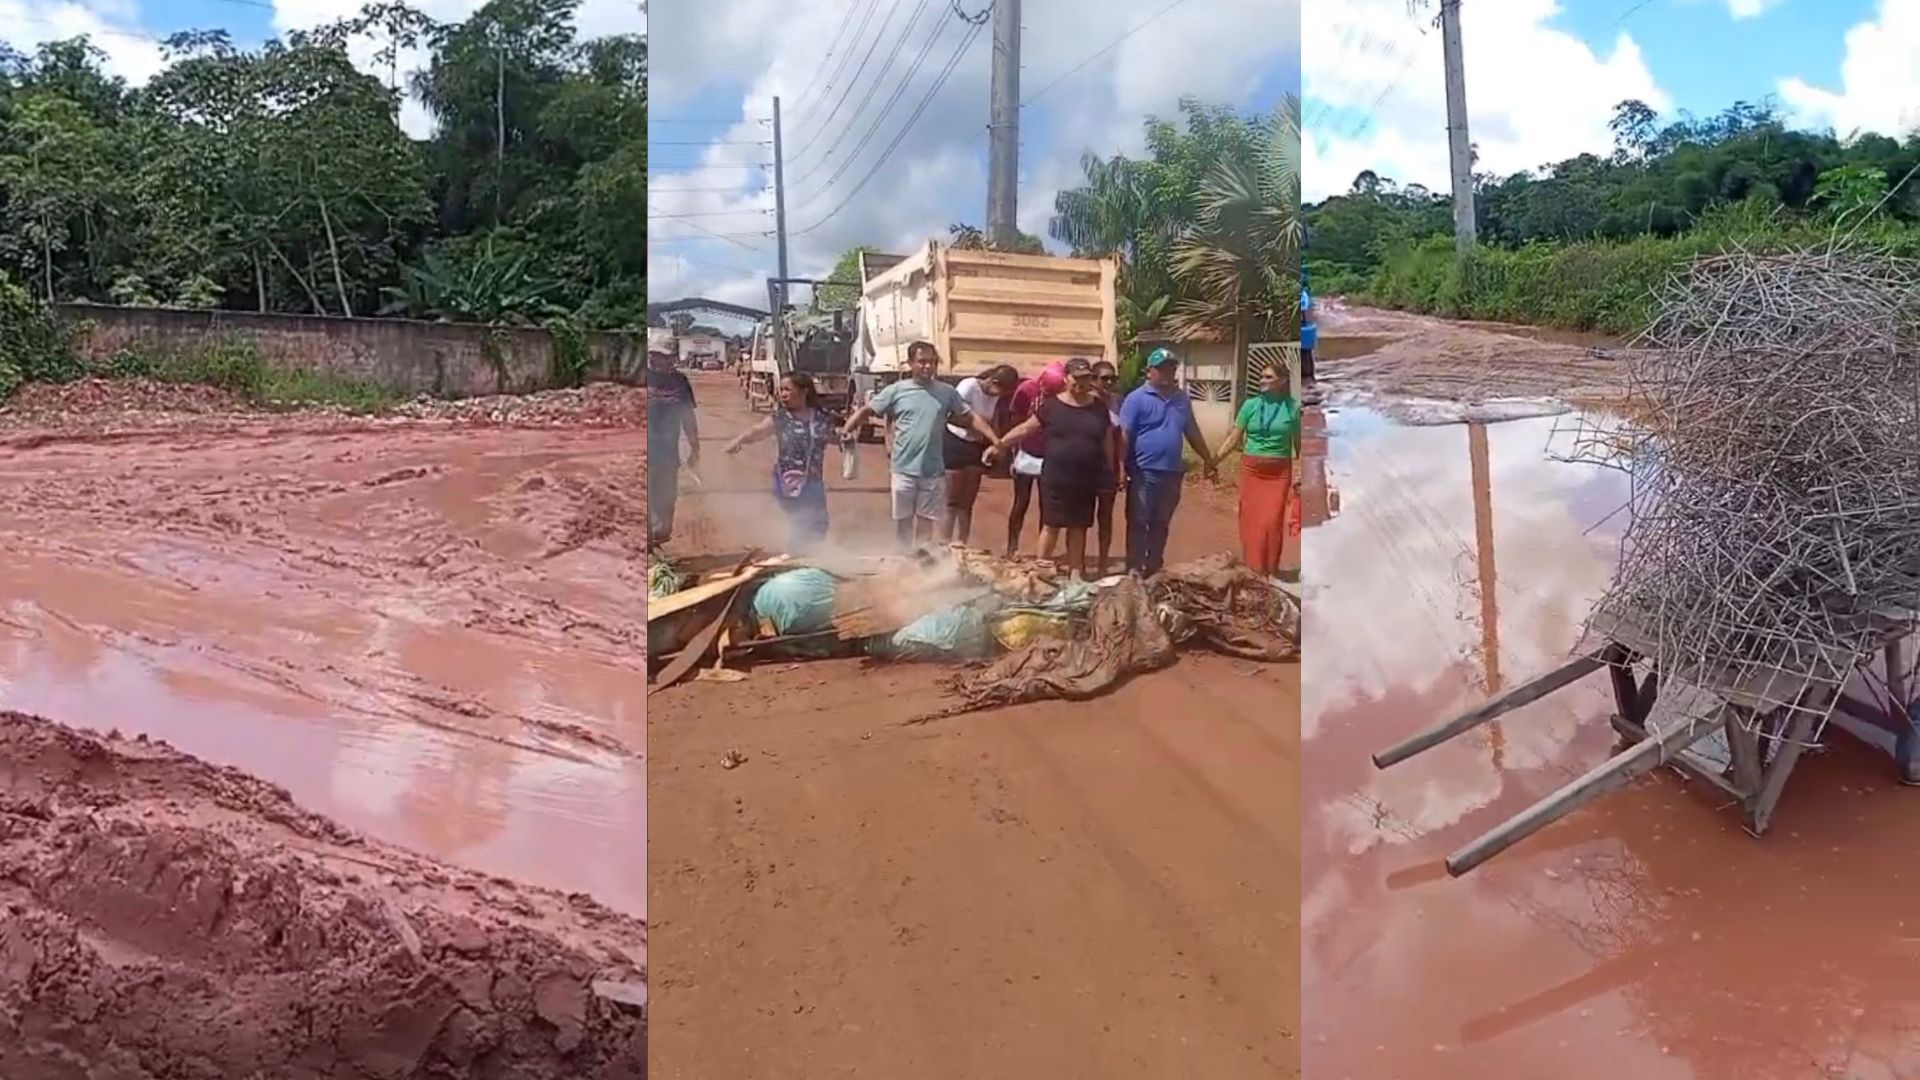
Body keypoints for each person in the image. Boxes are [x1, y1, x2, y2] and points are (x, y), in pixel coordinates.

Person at [839, 341, 1002, 548]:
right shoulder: (896, 391)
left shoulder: (947, 392)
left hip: (933, 471)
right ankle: (904, 558)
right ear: (910, 363)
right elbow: (867, 411)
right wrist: (847, 429)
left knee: (926, 521)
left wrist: (996, 440)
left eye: (932, 362)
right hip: (903, 469)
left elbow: (971, 418)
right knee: (903, 521)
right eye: (922, 362)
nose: (927, 367)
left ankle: (920, 563)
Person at [987, 358, 1119, 579]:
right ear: (1066, 379)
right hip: (1057, 477)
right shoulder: (1052, 407)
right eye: (1077, 378)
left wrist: (1111, 469)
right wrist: (999, 445)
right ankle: (1041, 571)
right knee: (1052, 525)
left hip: (1087, 478)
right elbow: (1025, 429)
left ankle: (1076, 573)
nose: (1082, 383)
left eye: (1086, 378)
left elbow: (1107, 440)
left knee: (1079, 526)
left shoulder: (1098, 408)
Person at [1118, 347, 1219, 576]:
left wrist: (1208, 460)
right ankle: (1134, 566)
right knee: (1138, 520)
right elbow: (1124, 435)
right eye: (1161, 369)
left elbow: (1191, 431)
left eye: (1171, 369)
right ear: (1149, 372)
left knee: (1161, 522)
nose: (1166, 373)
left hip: (1172, 472)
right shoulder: (1136, 399)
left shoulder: (1181, 399)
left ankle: (1154, 565)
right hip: (1144, 471)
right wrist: (1120, 466)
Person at [723, 372, 837, 552]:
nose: (782, 394)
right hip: (787, 481)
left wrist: (845, 441)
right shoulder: (781, 418)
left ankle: (810, 555)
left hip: (813, 480)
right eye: (781, 390)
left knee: (819, 522)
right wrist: (738, 441)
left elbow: (832, 437)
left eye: (787, 390)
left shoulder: (822, 417)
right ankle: (798, 556)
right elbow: (758, 431)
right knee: (801, 519)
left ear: (804, 391)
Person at [1218, 361, 1302, 578]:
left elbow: (1300, 444)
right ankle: (1253, 569)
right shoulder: (1250, 405)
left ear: (1283, 381)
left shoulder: (1293, 408)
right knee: (1250, 521)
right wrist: (1214, 460)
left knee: (1271, 522)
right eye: (1262, 376)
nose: (1262, 381)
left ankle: (1270, 569)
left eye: (1268, 377)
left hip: (1279, 473)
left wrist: (1302, 474)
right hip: (1252, 470)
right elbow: (1234, 438)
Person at [942, 364, 1020, 545]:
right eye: (1000, 390)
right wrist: (982, 427)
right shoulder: (968, 386)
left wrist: (997, 445)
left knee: (967, 503)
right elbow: (952, 414)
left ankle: (961, 542)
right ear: (993, 382)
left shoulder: (995, 397)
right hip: (956, 443)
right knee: (951, 501)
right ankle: (943, 543)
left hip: (975, 446)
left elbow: (994, 422)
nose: (999, 396)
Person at [1002, 360, 1067, 557]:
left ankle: (1042, 552)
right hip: (1027, 452)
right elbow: (1016, 422)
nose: (1048, 392)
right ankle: (1012, 547)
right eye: (1046, 388)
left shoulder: (1064, 397)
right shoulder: (1026, 390)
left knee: (1047, 506)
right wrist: (1014, 454)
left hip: (1050, 455)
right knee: (1021, 502)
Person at [646, 347, 700, 546]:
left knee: (666, 497)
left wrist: (695, 448)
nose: (659, 359)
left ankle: (658, 536)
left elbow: (688, 417)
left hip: (668, 453)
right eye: (655, 355)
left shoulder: (680, 382)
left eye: (666, 356)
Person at [1091, 359, 1127, 574]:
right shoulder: (1084, 402)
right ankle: (1078, 564)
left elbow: (1121, 438)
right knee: (1079, 519)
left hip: (1108, 467)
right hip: (1085, 466)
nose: (1110, 383)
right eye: (1105, 378)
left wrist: (1121, 469)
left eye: (1113, 378)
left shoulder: (1117, 402)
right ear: (1093, 380)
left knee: (1106, 516)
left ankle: (1103, 563)